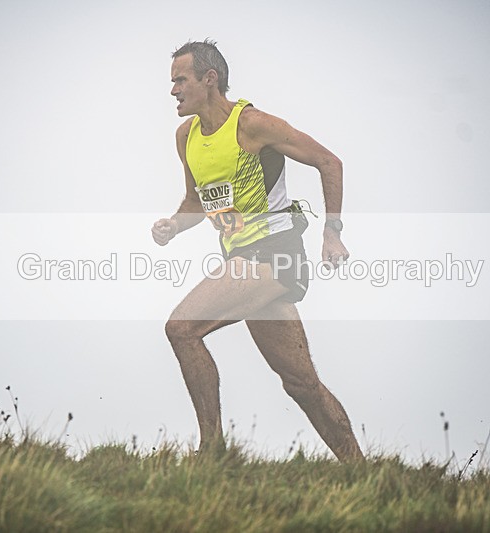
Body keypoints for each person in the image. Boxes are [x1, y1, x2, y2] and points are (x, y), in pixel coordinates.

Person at [152, 39, 363, 462]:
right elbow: (197, 200)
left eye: (180, 80)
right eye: (171, 81)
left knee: (182, 328)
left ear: (209, 79)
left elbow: (329, 162)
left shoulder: (252, 124)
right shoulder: (186, 137)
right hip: (243, 262)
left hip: (275, 254)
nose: (173, 90)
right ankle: (365, 473)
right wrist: (174, 224)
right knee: (301, 384)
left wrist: (332, 232)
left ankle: (211, 453)